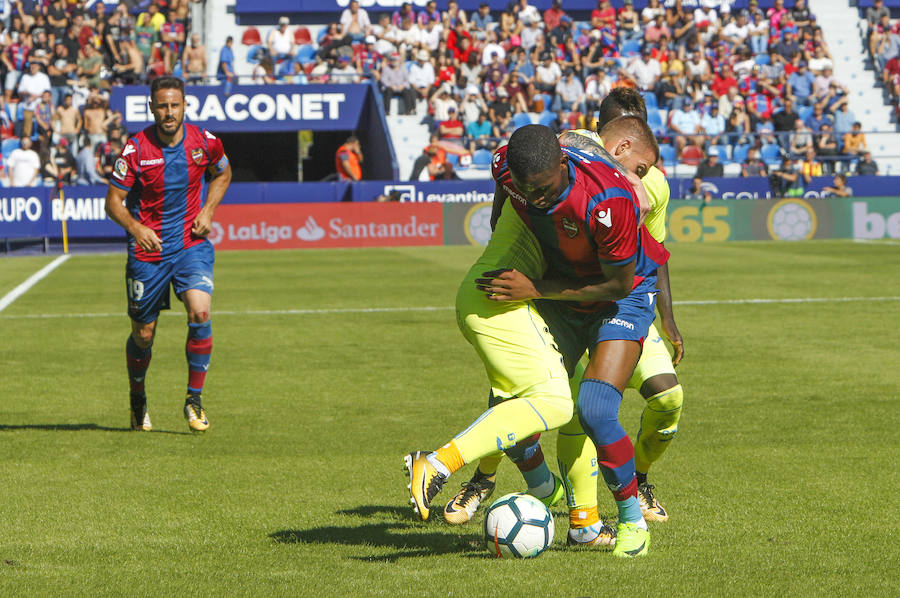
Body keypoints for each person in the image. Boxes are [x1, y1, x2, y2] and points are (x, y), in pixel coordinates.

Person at [405, 120, 665, 559]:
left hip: (620, 296)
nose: (539, 199)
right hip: (562, 289)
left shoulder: (609, 200)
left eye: (546, 190)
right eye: (531, 191)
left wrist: (535, 288)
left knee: (595, 410)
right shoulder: (507, 169)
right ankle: (550, 493)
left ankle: (633, 524)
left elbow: (619, 285)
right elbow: (504, 203)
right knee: (516, 402)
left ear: (563, 166)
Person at [104, 77, 232, 433]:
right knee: (144, 335)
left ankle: (194, 400)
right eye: (162, 105)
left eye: (174, 105)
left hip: (191, 244)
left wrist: (207, 211)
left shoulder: (203, 142)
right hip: (149, 251)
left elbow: (223, 173)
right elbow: (113, 202)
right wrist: (137, 229)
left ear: (184, 105)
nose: (169, 112)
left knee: (200, 311)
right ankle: (137, 397)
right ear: (152, 108)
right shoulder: (136, 150)